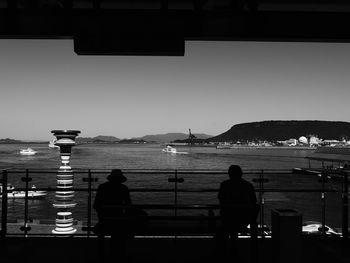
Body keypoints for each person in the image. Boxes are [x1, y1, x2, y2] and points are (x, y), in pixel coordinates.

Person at [216, 165, 258, 259]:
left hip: (228, 220)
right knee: (234, 228)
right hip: (244, 220)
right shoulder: (248, 185)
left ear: (229, 174)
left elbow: (221, 201)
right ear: (241, 174)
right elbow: (254, 202)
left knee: (225, 228)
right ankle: (238, 253)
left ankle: (224, 253)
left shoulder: (225, 185)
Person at [93, 169, 132, 260]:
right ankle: (118, 254)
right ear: (120, 179)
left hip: (104, 220)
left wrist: (101, 217)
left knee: (102, 231)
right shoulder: (124, 188)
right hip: (119, 220)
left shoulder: (102, 187)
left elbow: (96, 206)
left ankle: (101, 255)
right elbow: (128, 205)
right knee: (119, 232)